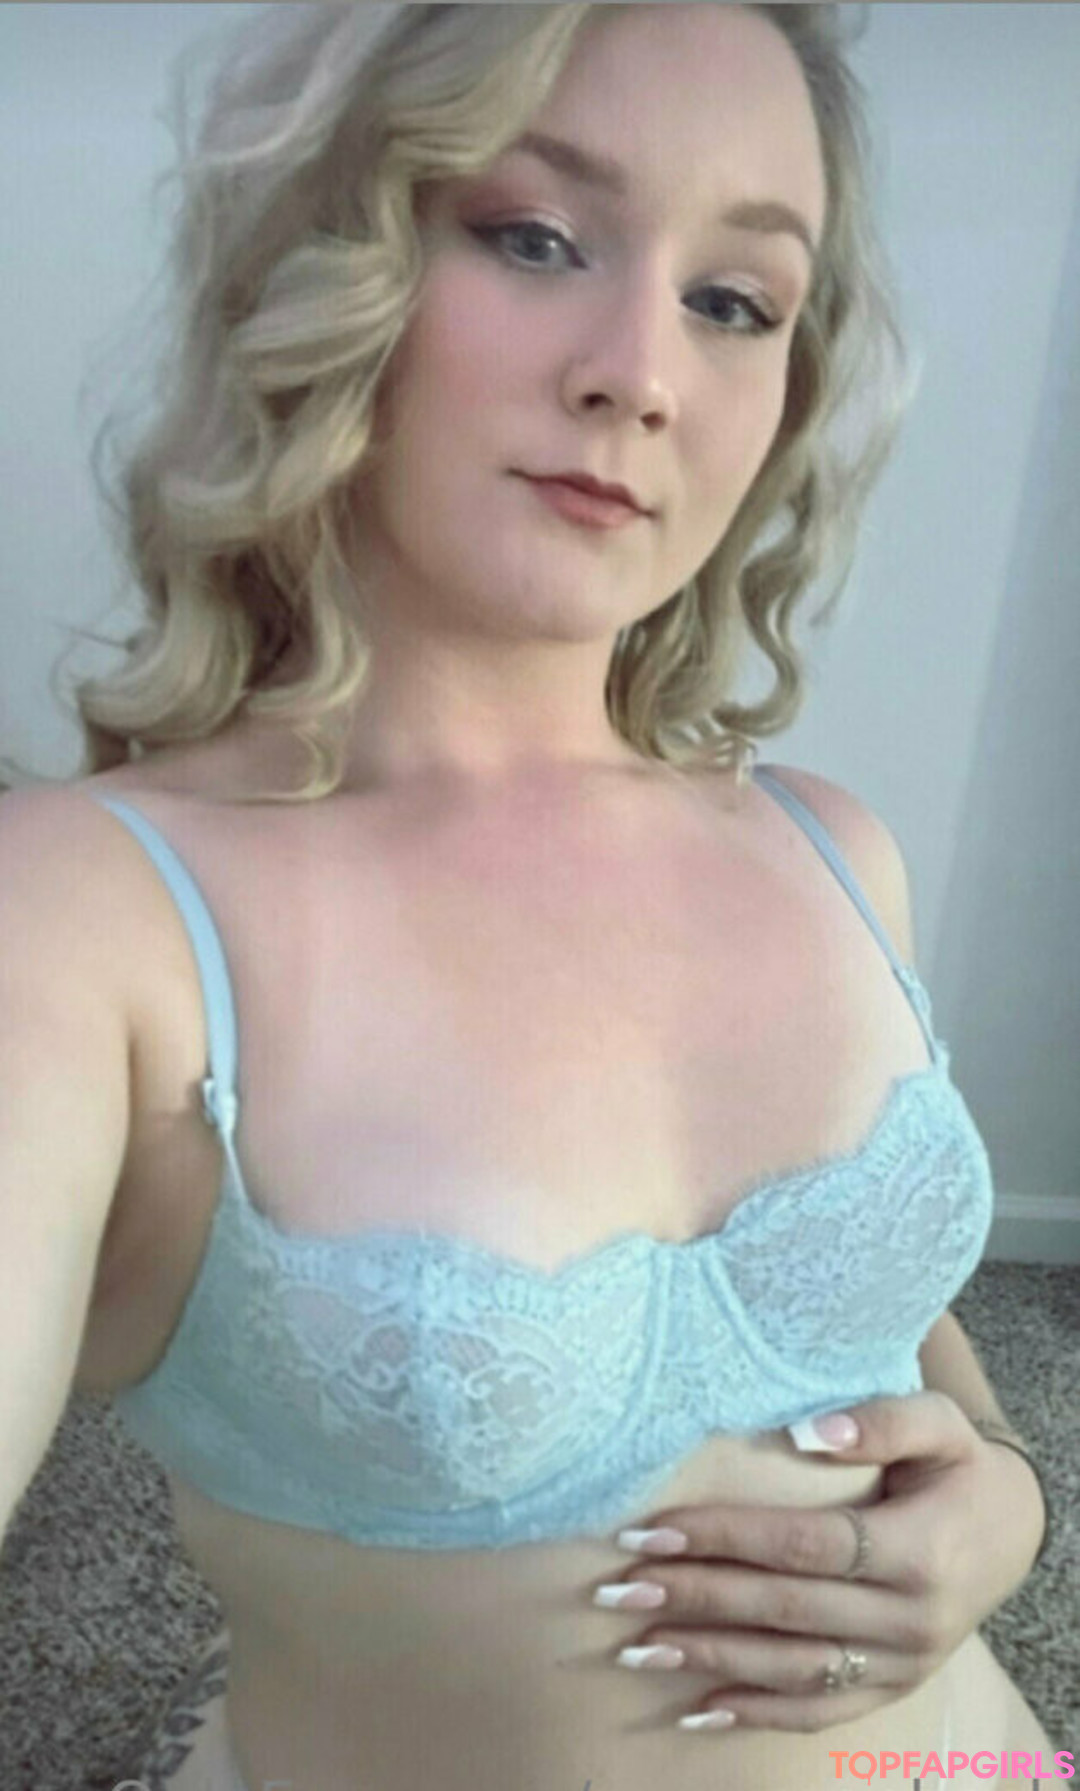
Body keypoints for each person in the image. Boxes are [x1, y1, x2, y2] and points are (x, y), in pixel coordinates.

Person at [0, 5, 1058, 1789]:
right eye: (536, 238)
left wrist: (1010, 1496)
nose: (640, 374)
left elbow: (882, 1319)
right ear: (336, 263)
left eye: (735, 301)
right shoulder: (94, 915)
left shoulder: (828, 843)